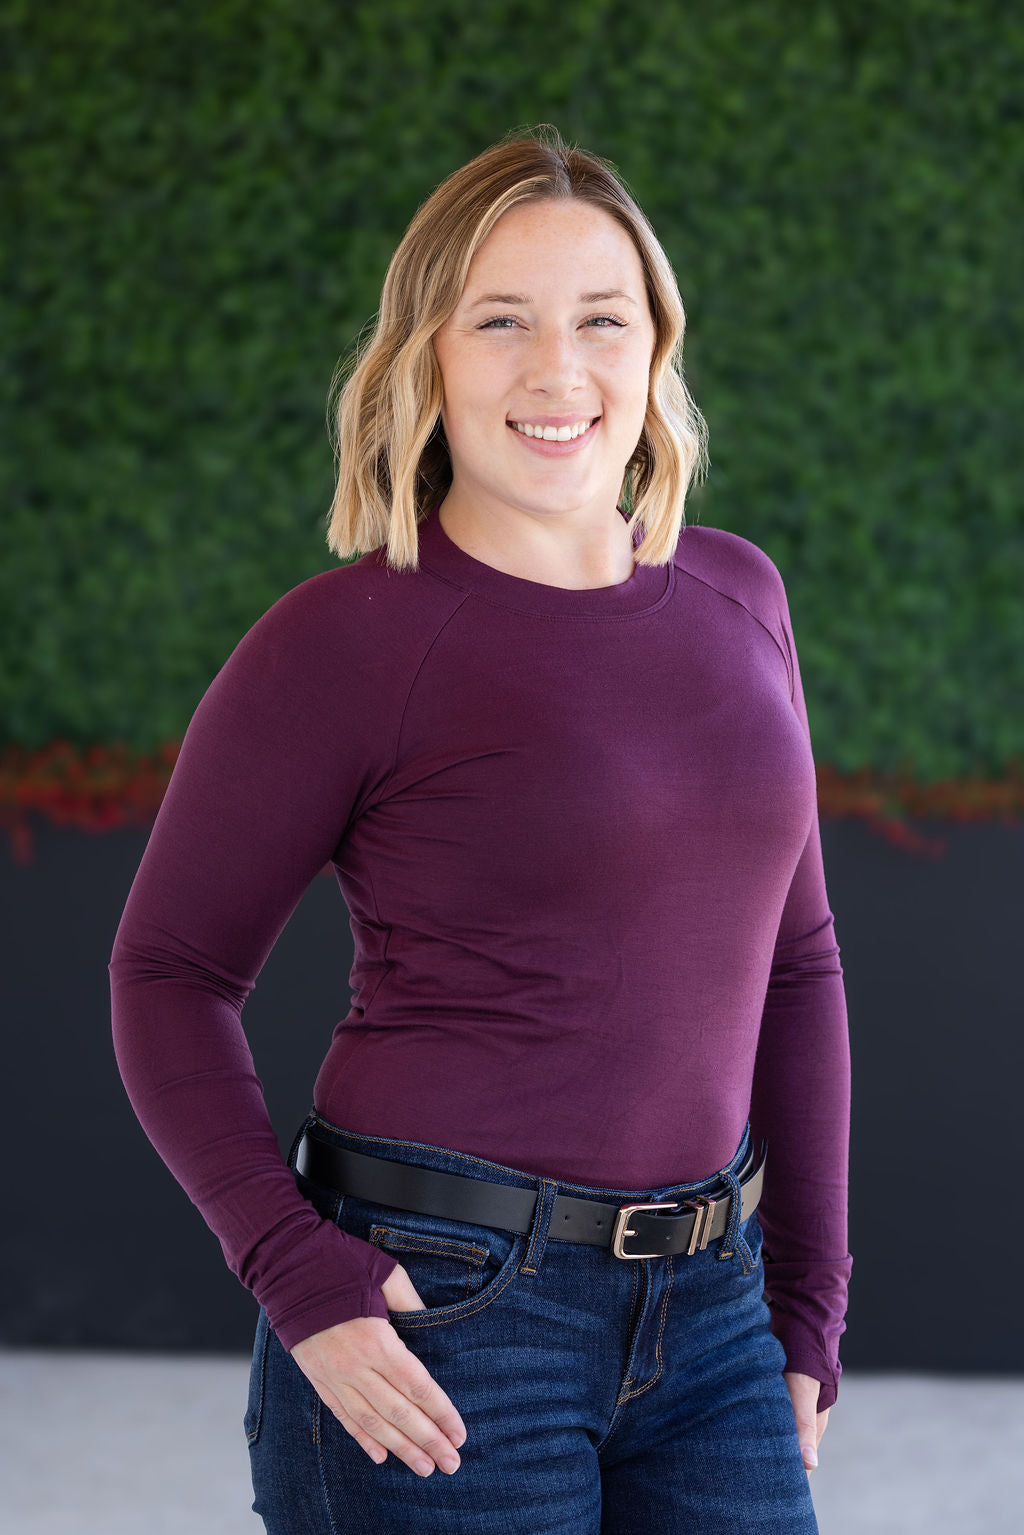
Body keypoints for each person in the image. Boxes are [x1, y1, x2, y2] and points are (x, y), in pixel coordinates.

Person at [109, 123, 851, 1533]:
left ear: (656, 349)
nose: (556, 370)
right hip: (440, 1311)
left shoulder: (741, 597)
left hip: (713, 1314)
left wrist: (808, 1307)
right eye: (500, 320)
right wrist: (294, 1274)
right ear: (427, 356)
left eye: (600, 320)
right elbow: (167, 975)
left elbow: (798, 967)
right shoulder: (344, 639)